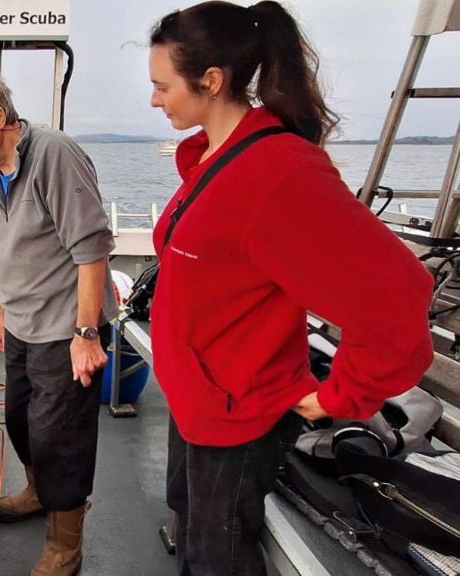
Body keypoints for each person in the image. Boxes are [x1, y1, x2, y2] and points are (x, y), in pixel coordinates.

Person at [146, 2, 434, 574]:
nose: (154, 100)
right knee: (190, 526)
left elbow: (397, 297)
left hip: (238, 413)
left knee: (216, 557)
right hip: (197, 400)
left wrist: (338, 397)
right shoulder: (214, 158)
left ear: (211, 82)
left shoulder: (278, 173)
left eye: (162, 86)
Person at [0, 69, 118, 576]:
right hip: (20, 323)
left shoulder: (55, 155)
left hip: (66, 330)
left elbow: (91, 250)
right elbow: (6, 248)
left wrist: (86, 334)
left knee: (60, 438)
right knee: (19, 420)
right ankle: (41, 494)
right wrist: (1, 310)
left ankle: (66, 544)